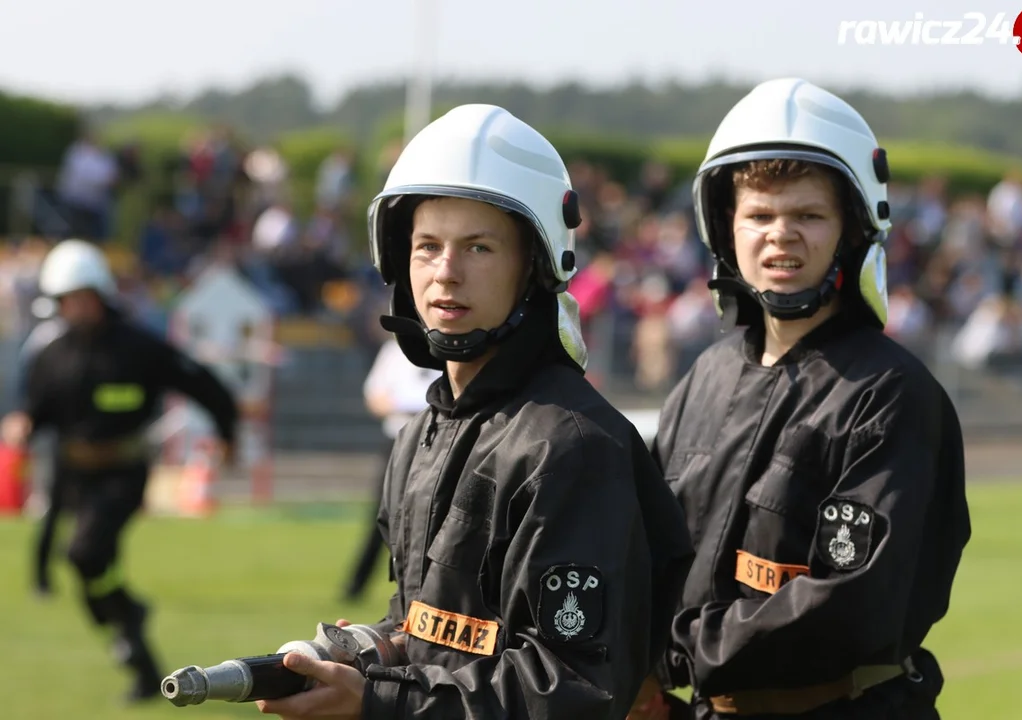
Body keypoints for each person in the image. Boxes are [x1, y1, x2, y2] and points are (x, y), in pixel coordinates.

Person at [255, 103, 695, 720]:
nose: (446, 273)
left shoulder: (572, 446)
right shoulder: (420, 436)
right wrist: (367, 651)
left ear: (535, 267)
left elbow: (569, 690)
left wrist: (380, 701)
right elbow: (438, 629)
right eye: (427, 246)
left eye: (479, 248)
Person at [634, 78, 972, 719]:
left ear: (851, 230)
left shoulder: (890, 396)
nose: (779, 235)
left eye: (808, 216)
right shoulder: (700, 381)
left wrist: (663, 653)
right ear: (725, 228)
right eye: (758, 215)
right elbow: (647, 552)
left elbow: (849, 607)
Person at [0, 238, 240, 703]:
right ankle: (138, 649)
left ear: (101, 293)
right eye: (67, 300)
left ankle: (127, 614)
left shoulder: (139, 347)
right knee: (92, 570)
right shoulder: (52, 353)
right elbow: (39, 406)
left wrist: (226, 432)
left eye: (83, 297)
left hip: (123, 473)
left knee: (84, 552)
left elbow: (203, 384)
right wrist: (24, 422)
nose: (77, 307)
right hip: (73, 472)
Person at [341, 337, 441, 602]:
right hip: (398, 439)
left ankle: (431, 589)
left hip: (440, 439)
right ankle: (356, 586)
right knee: (382, 515)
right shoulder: (394, 350)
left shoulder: (449, 346)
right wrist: (405, 406)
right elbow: (375, 397)